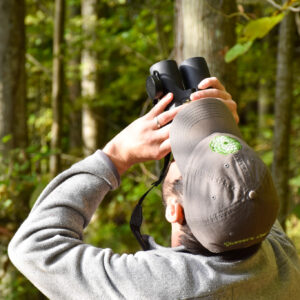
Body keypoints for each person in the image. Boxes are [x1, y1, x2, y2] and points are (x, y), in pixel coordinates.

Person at [8, 77, 300, 299]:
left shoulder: (156, 285)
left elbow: (32, 246)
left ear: (175, 212)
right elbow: (239, 192)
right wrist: (222, 134)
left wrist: (115, 156)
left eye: (186, 162)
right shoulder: (282, 261)